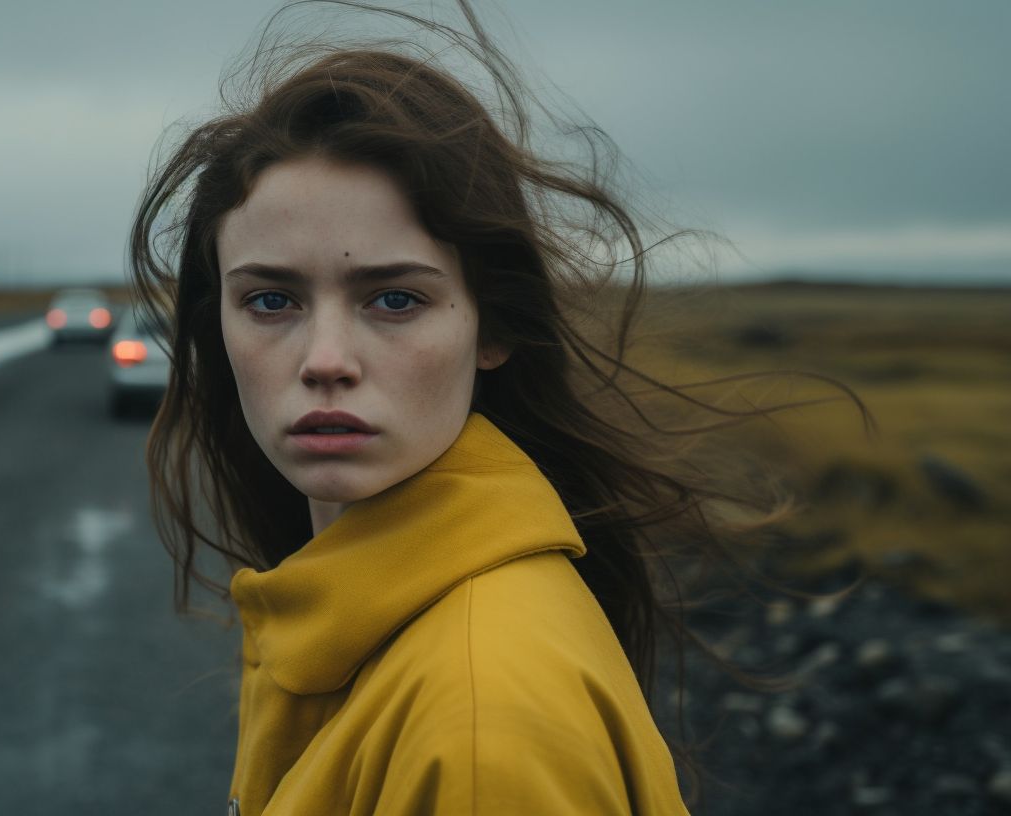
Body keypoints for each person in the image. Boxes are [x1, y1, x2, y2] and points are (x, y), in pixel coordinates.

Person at [124, 3, 845, 813]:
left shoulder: (480, 732)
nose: (326, 360)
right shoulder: (358, 621)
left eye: (394, 298)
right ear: (213, 323)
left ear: (492, 324)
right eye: (270, 300)